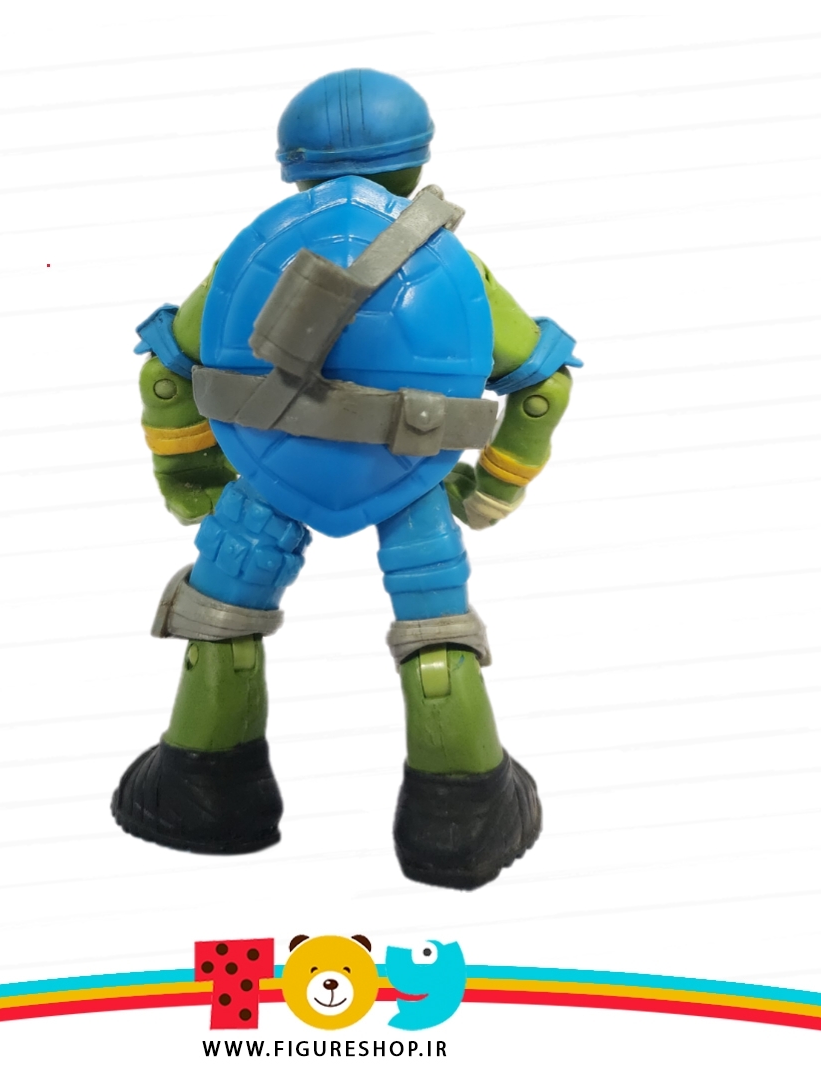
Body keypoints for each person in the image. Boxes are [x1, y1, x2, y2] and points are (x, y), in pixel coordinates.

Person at [112, 69, 581, 889]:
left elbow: (164, 374)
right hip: (413, 478)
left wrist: (188, 472)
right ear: (417, 158)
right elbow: (543, 386)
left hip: (265, 481)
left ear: (292, 166)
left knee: (222, 619)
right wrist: (494, 487)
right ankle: (461, 815)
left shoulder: (251, 251)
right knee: (436, 629)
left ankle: (204, 792)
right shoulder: (451, 260)